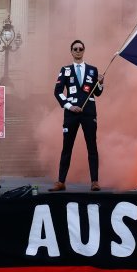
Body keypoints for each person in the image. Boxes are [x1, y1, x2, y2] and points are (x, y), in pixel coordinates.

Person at [49, 39, 104, 192]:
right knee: (67, 147)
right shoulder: (65, 70)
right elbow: (57, 91)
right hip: (71, 113)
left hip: (88, 113)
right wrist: (69, 106)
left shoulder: (93, 70)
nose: (78, 51)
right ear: (71, 51)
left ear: (84, 51)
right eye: (75, 49)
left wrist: (100, 83)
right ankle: (61, 181)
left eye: (80, 49)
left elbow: (98, 93)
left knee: (92, 146)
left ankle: (94, 181)